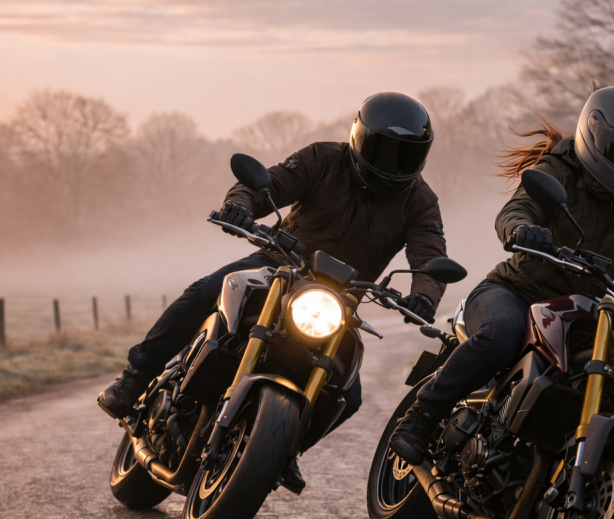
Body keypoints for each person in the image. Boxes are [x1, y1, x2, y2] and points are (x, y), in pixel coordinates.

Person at [389, 85, 614, 465]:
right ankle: (422, 415)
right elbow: (515, 212)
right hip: (515, 292)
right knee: (501, 335)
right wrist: (522, 231)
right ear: (599, 140)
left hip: (582, 313)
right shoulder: (560, 171)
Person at [99, 92, 449, 490]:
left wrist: (425, 294)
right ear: (360, 138)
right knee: (206, 290)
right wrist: (240, 205)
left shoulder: (420, 201)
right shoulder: (322, 158)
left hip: (341, 299)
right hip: (278, 265)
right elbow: (271, 184)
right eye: (384, 151)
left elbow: (430, 254)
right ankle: (135, 377)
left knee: (347, 397)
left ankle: (280, 450)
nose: (392, 165)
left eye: (405, 155)